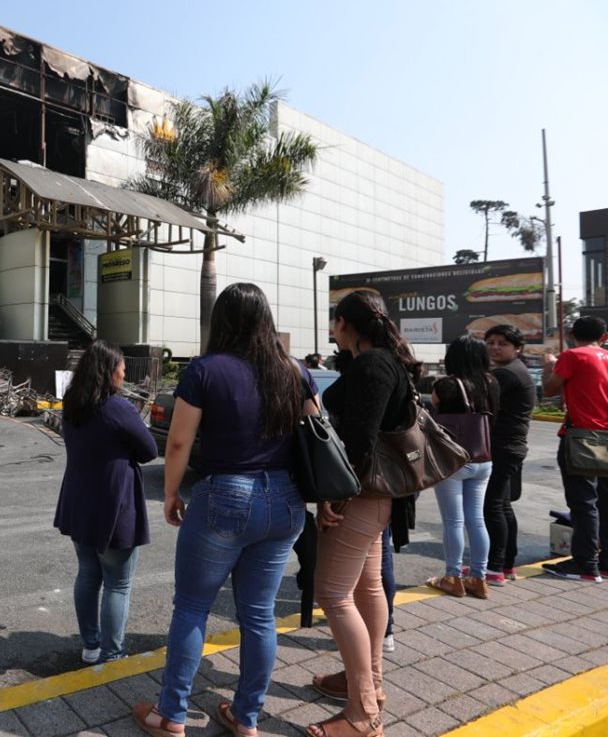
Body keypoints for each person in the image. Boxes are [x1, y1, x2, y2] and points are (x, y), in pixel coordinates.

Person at [132, 283, 311, 737]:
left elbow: (178, 440)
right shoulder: (295, 371)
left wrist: (172, 493)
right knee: (259, 613)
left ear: (222, 322)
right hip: (286, 501)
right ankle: (246, 718)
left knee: (192, 607)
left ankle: (171, 715)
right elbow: (318, 436)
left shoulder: (206, 370)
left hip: (226, 495)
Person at [308, 290, 420, 737]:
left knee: (332, 594)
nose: (333, 330)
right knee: (366, 587)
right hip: (374, 495)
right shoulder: (380, 361)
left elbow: (358, 443)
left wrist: (333, 499)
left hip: (361, 494)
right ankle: (368, 683)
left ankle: (362, 712)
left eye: (335, 322)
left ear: (346, 324)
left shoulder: (374, 366)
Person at [54, 339, 157, 664]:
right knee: (118, 584)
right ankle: (114, 654)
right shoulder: (116, 408)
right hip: (114, 505)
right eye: (122, 370)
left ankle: (91, 646)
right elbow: (150, 450)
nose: (124, 376)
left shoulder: (73, 403)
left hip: (79, 501)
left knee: (87, 574)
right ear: (109, 371)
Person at [425, 336, 499, 599]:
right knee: (476, 520)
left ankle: (452, 577)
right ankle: (478, 579)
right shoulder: (491, 383)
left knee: (453, 521)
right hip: (483, 459)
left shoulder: (447, 385)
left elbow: (434, 410)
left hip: (454, 461)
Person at [541, 316, 608, 583]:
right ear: (604, 337)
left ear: (571, 334)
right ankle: (604, 562)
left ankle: (585, 563)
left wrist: (549, 367)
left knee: (583, 502)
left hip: (581, 437)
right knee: (604, 500)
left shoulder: (573, 356)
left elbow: (548, 390)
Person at [484, 324, 535, 585]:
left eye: (501, 343)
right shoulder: (513, 370)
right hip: (510, 447)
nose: (494, 347)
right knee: (502, 505)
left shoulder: (507, 374)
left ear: (516, 348)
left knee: (492, 505)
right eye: (490, 342)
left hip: (503, 447)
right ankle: (506, 565)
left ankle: (494, 568)